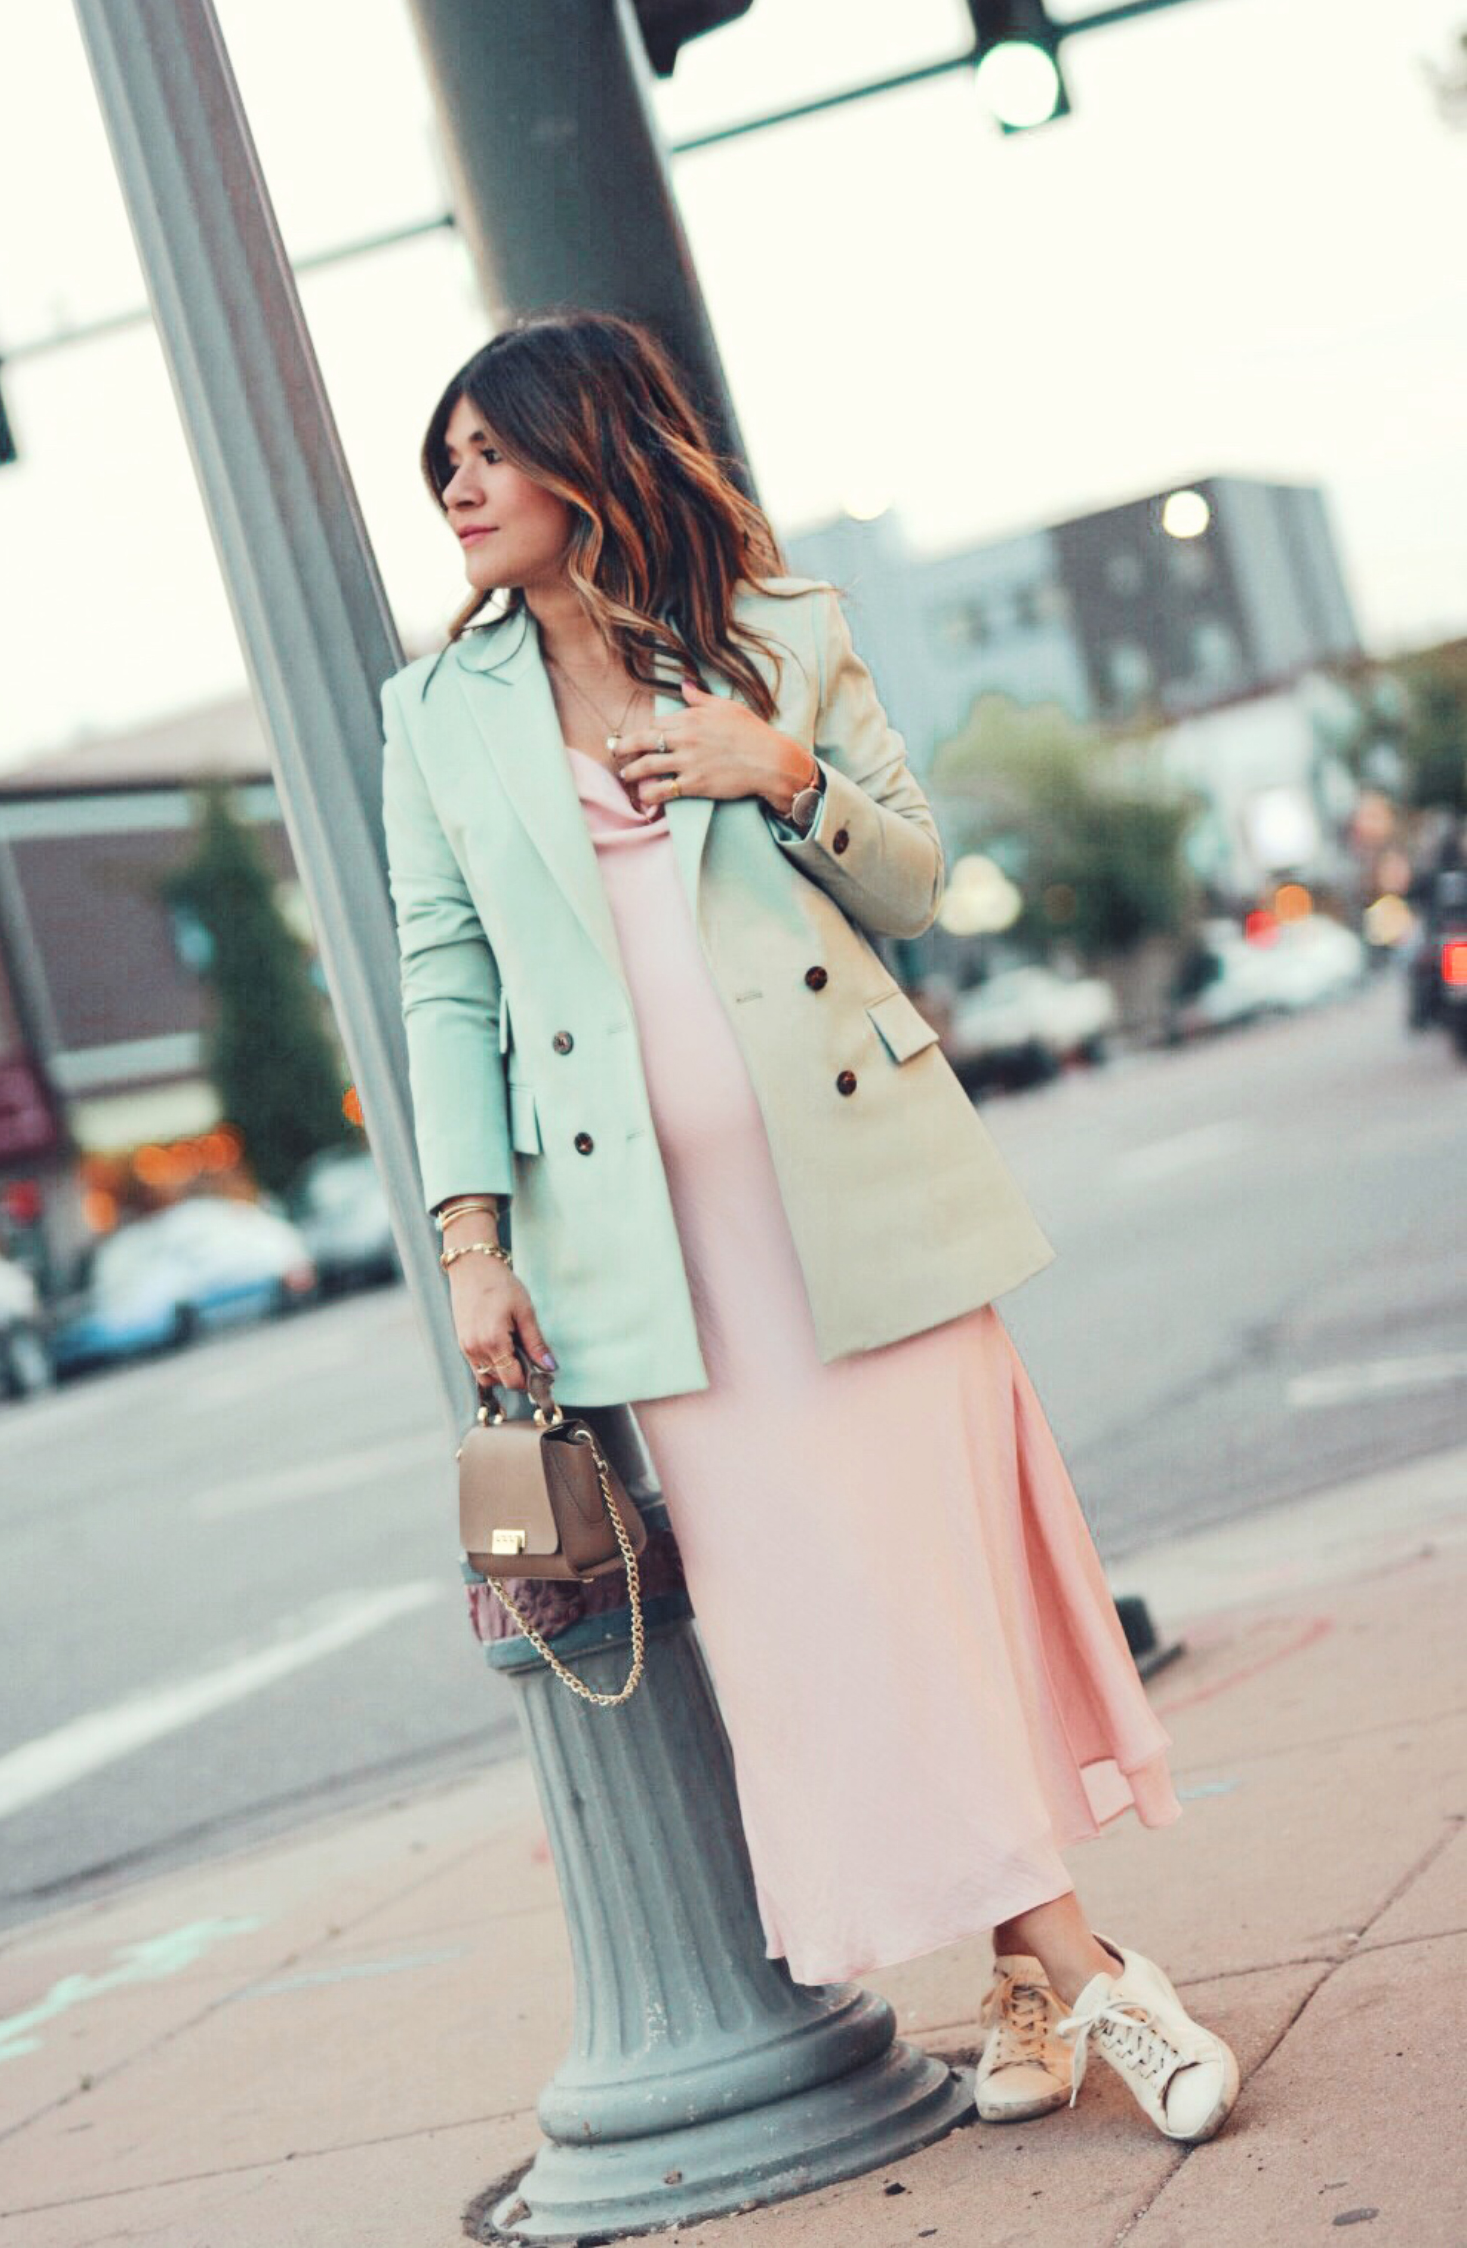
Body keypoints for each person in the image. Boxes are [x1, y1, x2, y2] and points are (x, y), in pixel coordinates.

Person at [380, 309, 1240, 2144]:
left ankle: (1031, 1970)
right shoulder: (434, 714)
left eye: (488, 448)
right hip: (655, 1256)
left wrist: (781, 772)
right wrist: (470, 1240)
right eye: (440, 457)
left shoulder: (784, 636)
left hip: (859, 1195)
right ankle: (1096, 1981)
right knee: (813, 1626)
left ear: (586, 452)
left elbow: (919, 885)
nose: (457, 483)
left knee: (937, 1585)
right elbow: (443, 983)